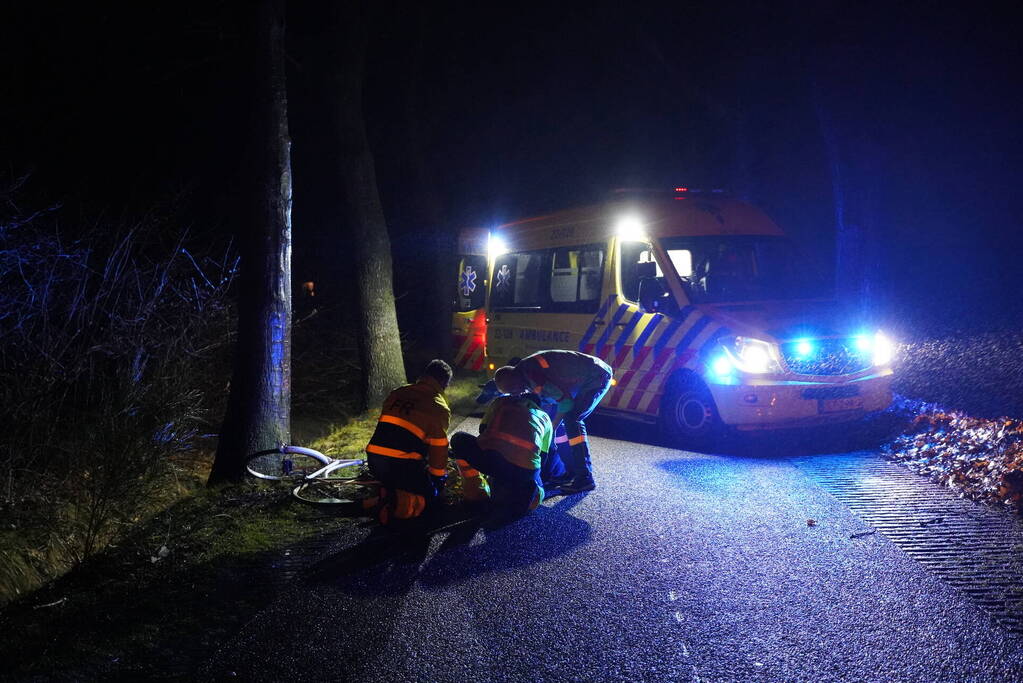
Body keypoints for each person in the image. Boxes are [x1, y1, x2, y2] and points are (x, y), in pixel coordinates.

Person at [493, 350, 612, 493]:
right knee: (561, 423)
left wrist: (552, 427)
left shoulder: (533, 375)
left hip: (596, 377)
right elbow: (551, 399)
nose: (515, 394)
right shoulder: (524, 372)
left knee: (572, 419)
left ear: (514, 380)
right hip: (588, 375)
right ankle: (571, 472)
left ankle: (585, 479)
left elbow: (566, 402)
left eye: (513, 390)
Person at [364, 359, 454, 524]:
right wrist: (438, 480)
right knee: (432, 503)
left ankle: (389, 490)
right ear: (443, 383)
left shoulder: (397, 392)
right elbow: (439, 449)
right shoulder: (438, 406)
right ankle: (392, 502)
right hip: (403, 467)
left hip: (375, 462)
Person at [449, 391, 553, 520]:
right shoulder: (545, 418)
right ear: (538, 406)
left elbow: (483, 430)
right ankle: (534, 496)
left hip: (492, 461)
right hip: (524, 470)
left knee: (459, 438)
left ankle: (475, 491)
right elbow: (543, 456)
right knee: (531, 488)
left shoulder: (503, 403)